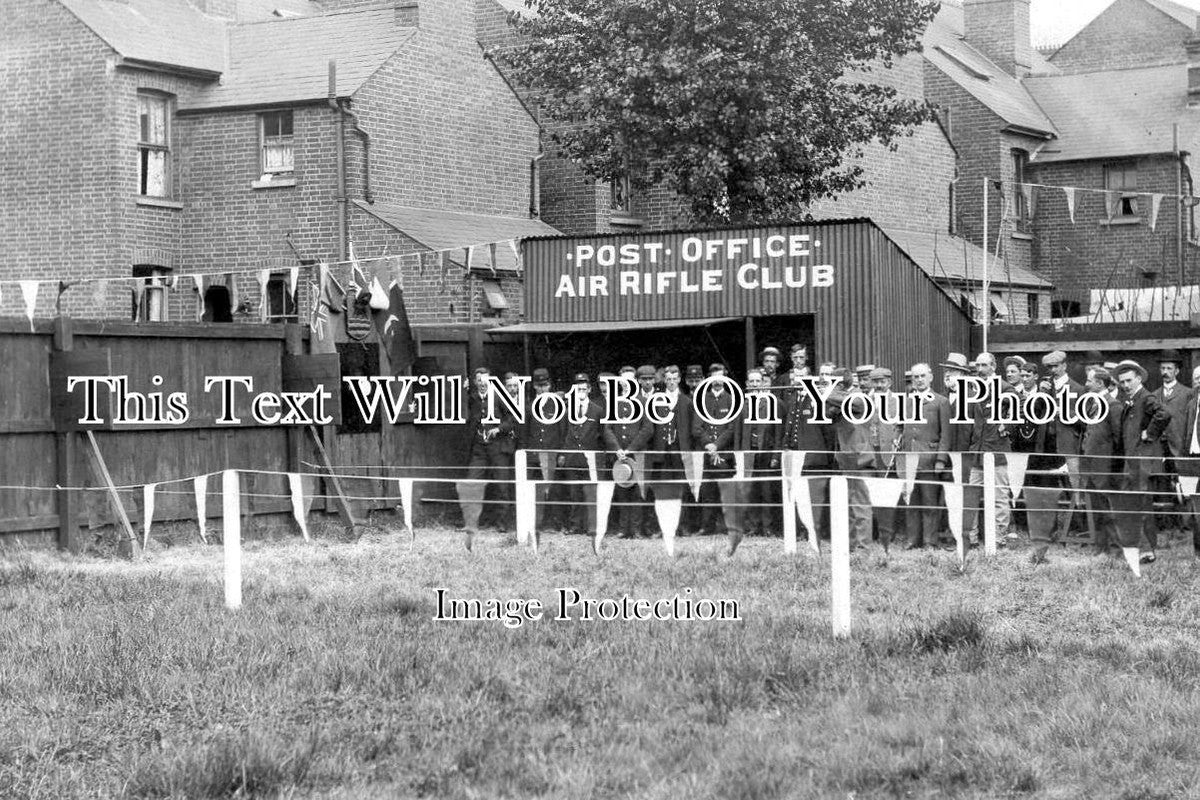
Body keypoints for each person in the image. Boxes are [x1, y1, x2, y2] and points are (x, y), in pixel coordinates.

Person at [1112, 360, 1171, 567]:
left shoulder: (1145, 397)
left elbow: (1164, 413)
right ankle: (1143, 548)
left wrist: (1150, 433)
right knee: (1135, 504)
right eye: (1122, 382)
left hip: (1142, 461)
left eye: (1129, 380)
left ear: (1138, 378)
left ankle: (1146, 549)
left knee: (1139, 504)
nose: (1125, 385)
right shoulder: (1131, 399)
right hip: (1132, 460)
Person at [462, 366, 517, 549]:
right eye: (479, 380)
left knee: (501, 484)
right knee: (472, 482)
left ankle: (502, 523)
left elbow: (512, 419)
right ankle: (471, 523)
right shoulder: (472, 398)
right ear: (476, 382)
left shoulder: (500, 396)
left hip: (497, 446)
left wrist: (498, 429)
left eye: (486, 381)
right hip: (479, 447)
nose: (483, 384)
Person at [780, 361, 836, 540]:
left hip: (814, 458)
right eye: (794, 378)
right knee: (798, 495)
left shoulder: (817, 398)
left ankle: (816, 531)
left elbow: (828, 432)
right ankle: (803, 530)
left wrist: (824, 456)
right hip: (795, 456)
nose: (797, 381)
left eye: (801, 377)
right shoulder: (793, 398)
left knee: (815, 497)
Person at [966, 352, 1014, 547]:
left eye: (984, 365)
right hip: (977, 450)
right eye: (977, 365)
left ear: (994, 367)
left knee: (1000, 497)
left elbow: (1019, 408)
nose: (980, 369)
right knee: (971, 495)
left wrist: (1007, 427)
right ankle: (972, 538)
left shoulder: (1004, 388)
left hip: (997, 449)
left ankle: (998, 538)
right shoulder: (973, 390)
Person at [901, 362, 951, 549]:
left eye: (923, 376)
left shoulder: (940, 402)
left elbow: (946, 435)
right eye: (916, 377)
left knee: (930, 502)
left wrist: (940, 460)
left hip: (930, 459)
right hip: (909, 459)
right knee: (911, 501)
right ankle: (912, 539)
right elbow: (901, 428)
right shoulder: (905, 401)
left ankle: (930, 541)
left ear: (930, 377)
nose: (919, 380)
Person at [828, 366, 876, 550]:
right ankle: (850, 545)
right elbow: (827, 414)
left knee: (861, 505)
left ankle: (863, 547)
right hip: (846, 457)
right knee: (848, 504)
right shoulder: (841, 399)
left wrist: (822, 392)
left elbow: (835, 399)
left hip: (860, 458)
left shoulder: (858, 397)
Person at [691, 363, 740, 536]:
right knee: (707, 491)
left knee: (726, 491)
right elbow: (696, 428)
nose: (717, 382)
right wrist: (708, 445)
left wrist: (717, 445)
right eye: (714, 378)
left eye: (721, 378)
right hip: (706, 454)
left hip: (725, 454)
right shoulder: (701, 399)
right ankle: (707, 526)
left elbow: (732, 428)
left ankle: (728, 526)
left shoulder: (732, 399)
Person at [602, 371, 653, 539]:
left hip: (637, 455)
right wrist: (617, 448)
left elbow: (648, 429)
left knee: (638, 493)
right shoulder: (614, 403)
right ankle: (623, 529)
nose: (626, 385)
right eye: (623, 382)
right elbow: (608, 429)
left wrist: (630, 449)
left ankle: (636, 529)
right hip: (619, 457)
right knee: (622, 491)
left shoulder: (644, 402)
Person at [1079, 366, 1122, 556]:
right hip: (1090, 463)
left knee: (1108, 507)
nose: (1086, 384)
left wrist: (1113, 466)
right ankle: (1100, 546)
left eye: (1089, 380)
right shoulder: (1093, 402)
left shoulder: (1113, 406)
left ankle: (1115, 548)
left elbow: (1118, 438)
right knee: (1095, 505)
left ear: (1100, 383)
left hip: (1105, 465)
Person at [1150, 349, 1192, 533]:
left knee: (1181, 485)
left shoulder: (1187, 393)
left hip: (1179, 446)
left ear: (1177, 371)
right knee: (1161, 483)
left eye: (1169, 368)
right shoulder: (1153, 394)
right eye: (1162, 368)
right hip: (1159, 447)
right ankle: (1164, 523)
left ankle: (1184, 524)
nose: (1165, 372)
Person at [558, 373, 604, 537]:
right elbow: (563, 433)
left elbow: (602, 436)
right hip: (572, 457)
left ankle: (591, 527)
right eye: (578, 389)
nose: (581, 392)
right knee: (574, 493)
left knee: (590, 492)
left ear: (590, 390)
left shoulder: (598, 411)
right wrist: (563, 454)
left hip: (590, 459)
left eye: (584, 388)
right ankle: (575, 525)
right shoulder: (567, 410)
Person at [648, 364, 692, 534]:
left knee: (682, 487)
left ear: (679, 380)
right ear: (664, 381)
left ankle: (683, 526)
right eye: (668, 379)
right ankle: (663, 527)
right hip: (662, 451)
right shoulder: (656, 400)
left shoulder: (687, 401)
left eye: (675, 379)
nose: (672, 382)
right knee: (662, 488)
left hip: (680, 451)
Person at [522, 368, 565, 533]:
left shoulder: (557, 406)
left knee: (554, 490)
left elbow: (562, 431)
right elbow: (526, 432)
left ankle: (556, 523)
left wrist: (561, 453)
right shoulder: (529, 407)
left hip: (551, 454)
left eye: (545, 385)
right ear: (534, 386)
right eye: (539, 386)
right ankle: (536, 524)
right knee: (535, 490)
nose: (542, 389)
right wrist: (526, 453)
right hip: (534, 455)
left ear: (550, 386)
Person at [739, 368, 780, 537]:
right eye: (752, 381)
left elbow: (777, 433)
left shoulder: (771, 403)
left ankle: (768, 526)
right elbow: (738, 432)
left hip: (766, 453)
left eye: (758, 381)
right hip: (749, 453)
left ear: (763, 383)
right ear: (747, 384)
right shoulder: (742, 405)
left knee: (766, 491)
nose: (755, 384)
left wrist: (776, 455)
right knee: (751, 490)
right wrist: (739, 455)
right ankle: (754, 526)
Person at [868, 367, 903, 548]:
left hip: (887, 453)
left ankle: (887, 534)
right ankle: (872, 533)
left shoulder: (897, 401)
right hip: (869, 453)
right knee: (869, 493)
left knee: (886, 495)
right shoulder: (864, 400)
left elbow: (902, 428)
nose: (879, 385)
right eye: (876, 382)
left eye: (882, 381)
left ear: (889, 382)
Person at [1174, 364, 1200, 557]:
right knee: (1195, 505)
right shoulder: (1192, 403)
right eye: (1196, 379)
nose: (1199, 382)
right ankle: (1198, 550)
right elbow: (1186, 434)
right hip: (1192, 459)